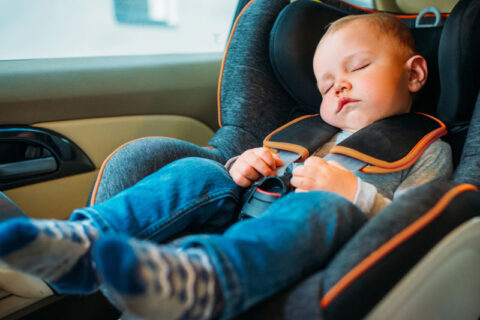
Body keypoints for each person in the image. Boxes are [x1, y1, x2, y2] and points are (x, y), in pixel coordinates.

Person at [0, 13, 452, 320]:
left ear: (414, 74)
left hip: (321, 244)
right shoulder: (306, 132)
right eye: (327, 83)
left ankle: (207, 281)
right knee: (202, 172)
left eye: (359, 67)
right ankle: (79, 247)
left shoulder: (427, 148)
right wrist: (243, 167)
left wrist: (355, 195)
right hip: (239, 216)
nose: (340, 87)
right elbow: (240, 175)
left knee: (323, 208)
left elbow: (421, 221)